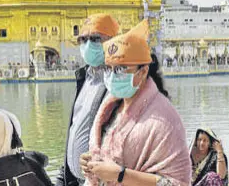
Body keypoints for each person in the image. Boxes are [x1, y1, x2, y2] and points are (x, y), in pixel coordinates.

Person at [80, 20, 191, 186]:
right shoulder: (109, 110)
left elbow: (177, 183)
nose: (111, 76)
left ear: (143, 71)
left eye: (119, 69)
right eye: (108, 69)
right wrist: (91, 163)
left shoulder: (164, 120)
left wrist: (121, 175)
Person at [55, 13, 120, 186]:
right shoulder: (84, 78)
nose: (88, 44)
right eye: (83, 40)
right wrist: (63, 176)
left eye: (95, 39)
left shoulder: (120, 82)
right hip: (74, 181)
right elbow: (75, 129)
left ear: (113, 40)